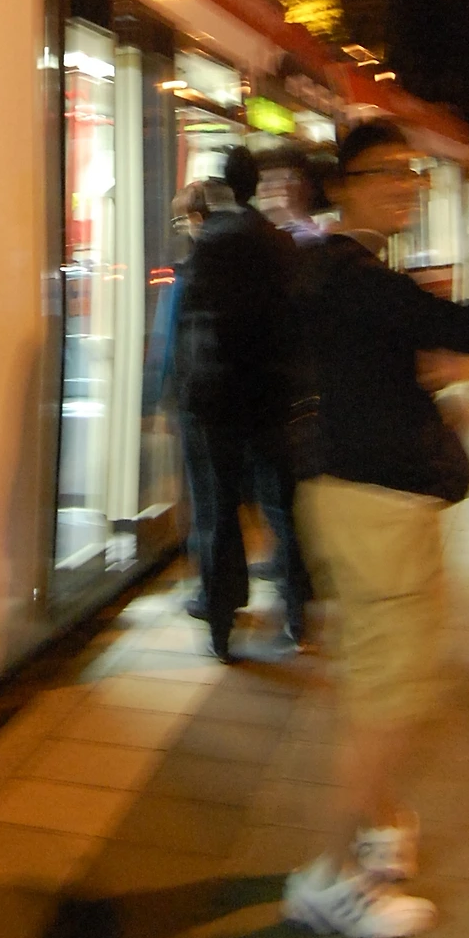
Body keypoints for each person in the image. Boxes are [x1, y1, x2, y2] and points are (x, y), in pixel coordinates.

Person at [281, 119, 469, 938]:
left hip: (347, 501)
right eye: (382, 172)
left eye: (409, 171)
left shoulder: (333, 271)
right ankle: (328, 879)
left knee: (371, 688)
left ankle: (379, 828)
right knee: (389, 699)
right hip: (378, 514)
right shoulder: (355, 276)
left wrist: (411, 376)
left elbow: (366, 364)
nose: (403, 185)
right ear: (341, 185)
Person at [175, 147, 311, 659]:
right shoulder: (280, 242)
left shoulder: (211, 241)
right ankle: (297, 610)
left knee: (219, 509)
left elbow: (192, 320)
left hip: (216, 399)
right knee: (281, 505)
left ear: (227, 187)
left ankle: (221, 618)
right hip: (271, 396)